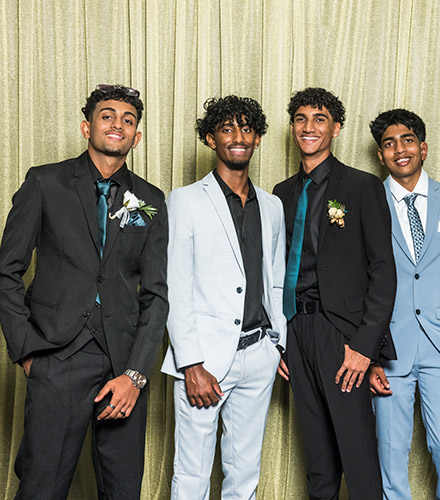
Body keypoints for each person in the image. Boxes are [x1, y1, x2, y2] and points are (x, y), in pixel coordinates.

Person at [0, 84, 168, 499]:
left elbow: (156, 294)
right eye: (108, 116)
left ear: (136, 137)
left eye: (128, 120)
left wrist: (136, 374)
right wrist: (29, 352)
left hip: (123, 365)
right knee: (42, 486)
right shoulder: (45, 182)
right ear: (88, 126)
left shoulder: (150, 200)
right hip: (57, 357)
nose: (117, 125)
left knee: (122, 489)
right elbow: (6, 274)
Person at [160, 95, 287, 500]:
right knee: (193, 474)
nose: (238, 137)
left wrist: (277, 345)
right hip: (205, 362)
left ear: (258, 139)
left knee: (244, 472)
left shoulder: (272, 205)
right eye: (227, 129)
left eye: (246, 128)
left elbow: (277, 281)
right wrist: (190, 363)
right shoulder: (185, 200)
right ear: (211, 138)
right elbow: (175, 286)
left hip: (259, 353)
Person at [273, 87, 396, 500]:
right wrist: (277, 341)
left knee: (357, 453)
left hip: (341, 335)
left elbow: (383, 272)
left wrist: (365, 347)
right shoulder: (282, 192)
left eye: (320, 119)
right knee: (318, 459)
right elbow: (272, 270)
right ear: (293, 128)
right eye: (302, 119)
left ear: (336, 128)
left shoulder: (362, 187)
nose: (309, 127)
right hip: (294, 329)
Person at [366, 109, 440, 500]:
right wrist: (369, 350)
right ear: (381, 155)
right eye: (389, 143)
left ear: (424, 148)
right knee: (390, 452)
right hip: (388, 349)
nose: (399, 149)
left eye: (407, 140)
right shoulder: (368, 201)